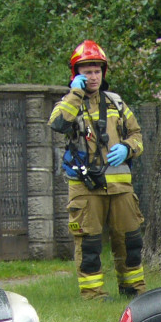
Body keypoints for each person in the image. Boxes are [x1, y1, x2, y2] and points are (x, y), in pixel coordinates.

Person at [49, 40, 146, 300]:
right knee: (89, 244)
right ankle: (93, 296)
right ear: (76, 74)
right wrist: (75, 94)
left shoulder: (116, 103)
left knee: (130, 241)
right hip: (85, 187)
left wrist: (128, 148)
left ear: (103, 73)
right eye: (86, 71)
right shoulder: (69, 103)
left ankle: (133, 292)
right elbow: (58, 124)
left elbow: (137, 134)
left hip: (120, 186)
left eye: (96, 71)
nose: (92, 76)